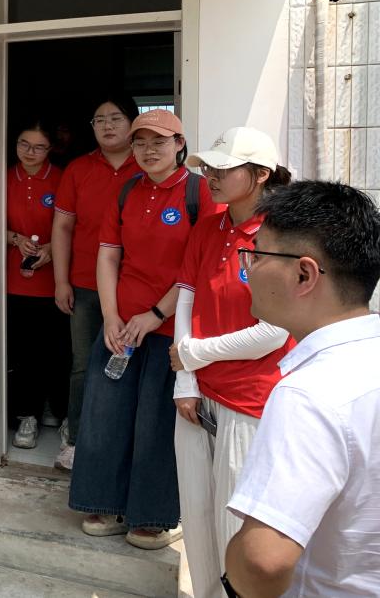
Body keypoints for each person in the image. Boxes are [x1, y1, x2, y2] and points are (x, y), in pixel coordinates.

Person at [68, 109, 221, 550]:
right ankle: (104, 501)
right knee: (106, 415)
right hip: (121, 327)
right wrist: (111, 316)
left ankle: (153, 515)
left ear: (179, 144)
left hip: (172, 329)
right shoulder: (127, 190)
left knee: (157, 423)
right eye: (140, 142)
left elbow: (200, 266)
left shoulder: (198, 192)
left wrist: (155, 314)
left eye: (159, 141)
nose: (149, 150)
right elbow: (108, 256)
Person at [223, 181, 380, 597]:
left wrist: (235, 564)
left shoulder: (308, 394)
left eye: (257, 255)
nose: (248, 270)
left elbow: (262, 561)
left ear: (304, 274)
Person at [169, 127, 294, 597]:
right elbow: (186, 297)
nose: (211, 177)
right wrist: (186, 381)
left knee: (235, 523)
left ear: (260, 174)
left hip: (248, 400)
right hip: (195, 397)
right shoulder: (209, 226)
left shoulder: (280, 234)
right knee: (197, 516)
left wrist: (192, 354)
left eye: (224, 168)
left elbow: (273, 331)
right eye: (208, 168)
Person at [51, 94, 142, 469]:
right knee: (83, 364)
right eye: (99, 119)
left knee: (129, 363)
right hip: (86, 283)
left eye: (115, 118)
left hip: (136, 287)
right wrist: (61, 281)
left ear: (132, 123)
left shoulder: (148, 165)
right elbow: (63, 227)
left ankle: (123, 441)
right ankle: (76, 439)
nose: (107, 125)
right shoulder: (78, 169)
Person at [5, 121, 70, 448]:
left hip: (56, 281)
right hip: (13, 281)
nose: (30, 152)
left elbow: (73, 225)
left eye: (39, 146)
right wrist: (14, 238)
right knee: (22, 352)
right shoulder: (3, 177)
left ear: (50, 149)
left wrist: (51, 249)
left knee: (57, 352)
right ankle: (26, 415)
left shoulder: (61, 178)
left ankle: (56, 410)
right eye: (24, 144)